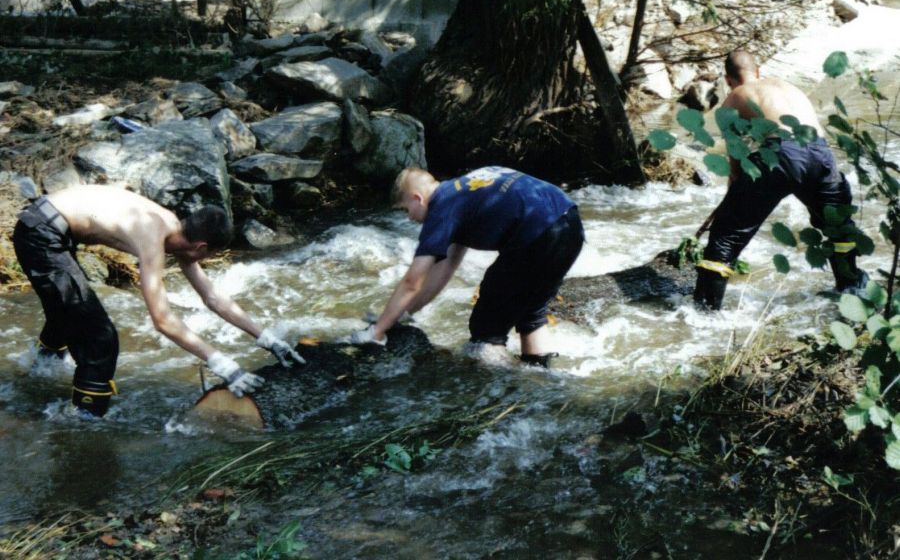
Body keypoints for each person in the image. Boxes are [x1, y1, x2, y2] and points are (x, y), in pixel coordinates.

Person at [12, 185, 304, 418]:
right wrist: (224, 364)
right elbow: (162, 320)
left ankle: (39, 370)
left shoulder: (174, 229)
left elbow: (212, 296)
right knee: (100, 337)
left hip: (48, 224)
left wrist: (266, 338)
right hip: (41, 233)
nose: (203, 261)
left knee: (71, 310)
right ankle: (84, 420)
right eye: (209, 255)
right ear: (201, 247)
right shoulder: (153, 237)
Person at [345, 166, 584, 367]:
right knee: (530, 313)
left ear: (417, 197)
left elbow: (412, 281)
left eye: (405, 210)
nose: (409, 218)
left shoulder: (442, 208)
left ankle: (502, 396)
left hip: (536, 235)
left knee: (486, 326)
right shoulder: (467, 188)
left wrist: (377, 332)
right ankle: (540, 380)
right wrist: (402, 315)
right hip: (570, 224)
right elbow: (445, 268)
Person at [694, 50, 869, 310]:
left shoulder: (734, 98)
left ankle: (703, 313)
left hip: (780, 153)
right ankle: (850, 291)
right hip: (820, 154)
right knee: (837, 226)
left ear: (729, 80)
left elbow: (737, 160)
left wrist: (731, 202)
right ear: (758, 71)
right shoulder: (789, 87)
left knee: (726, 237)